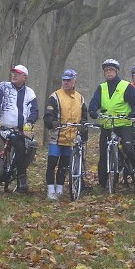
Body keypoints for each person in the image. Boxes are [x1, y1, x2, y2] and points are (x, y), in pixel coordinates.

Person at [88, 58, 135, 188]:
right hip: (107, 124)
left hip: (124, 124)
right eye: (106, 70)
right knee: (103, 154)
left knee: (128, 149)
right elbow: (94, 103)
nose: (109, 73)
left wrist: (133, 113)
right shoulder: (101, 88)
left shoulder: (125, 86)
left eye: (111, 70)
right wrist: (93, 111)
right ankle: (102, 183)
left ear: (116, 71)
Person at [0, 64, 39, 193]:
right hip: (4, 128)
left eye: (17, 73)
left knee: (23, 147)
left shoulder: (29, 92)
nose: (14, 75)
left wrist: (29, 122)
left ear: (25, 77)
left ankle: (21, 178)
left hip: (20, 130)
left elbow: (34, 110)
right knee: (17, 144)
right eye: (13, 73)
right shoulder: (3, 87)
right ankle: (1, 175)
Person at [43, 69, 88, 200]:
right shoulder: (55, 96)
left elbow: (84, 116)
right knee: (52, 163)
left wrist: (83, 126)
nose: (66, 82)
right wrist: (51, 122)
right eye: (64, 80)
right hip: (56, 137)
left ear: (75, 81)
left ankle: (60, 189)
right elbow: (48, 115)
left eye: (69, 80)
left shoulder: (80, 98)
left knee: (64, 166)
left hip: (71, 138)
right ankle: (51, 190)